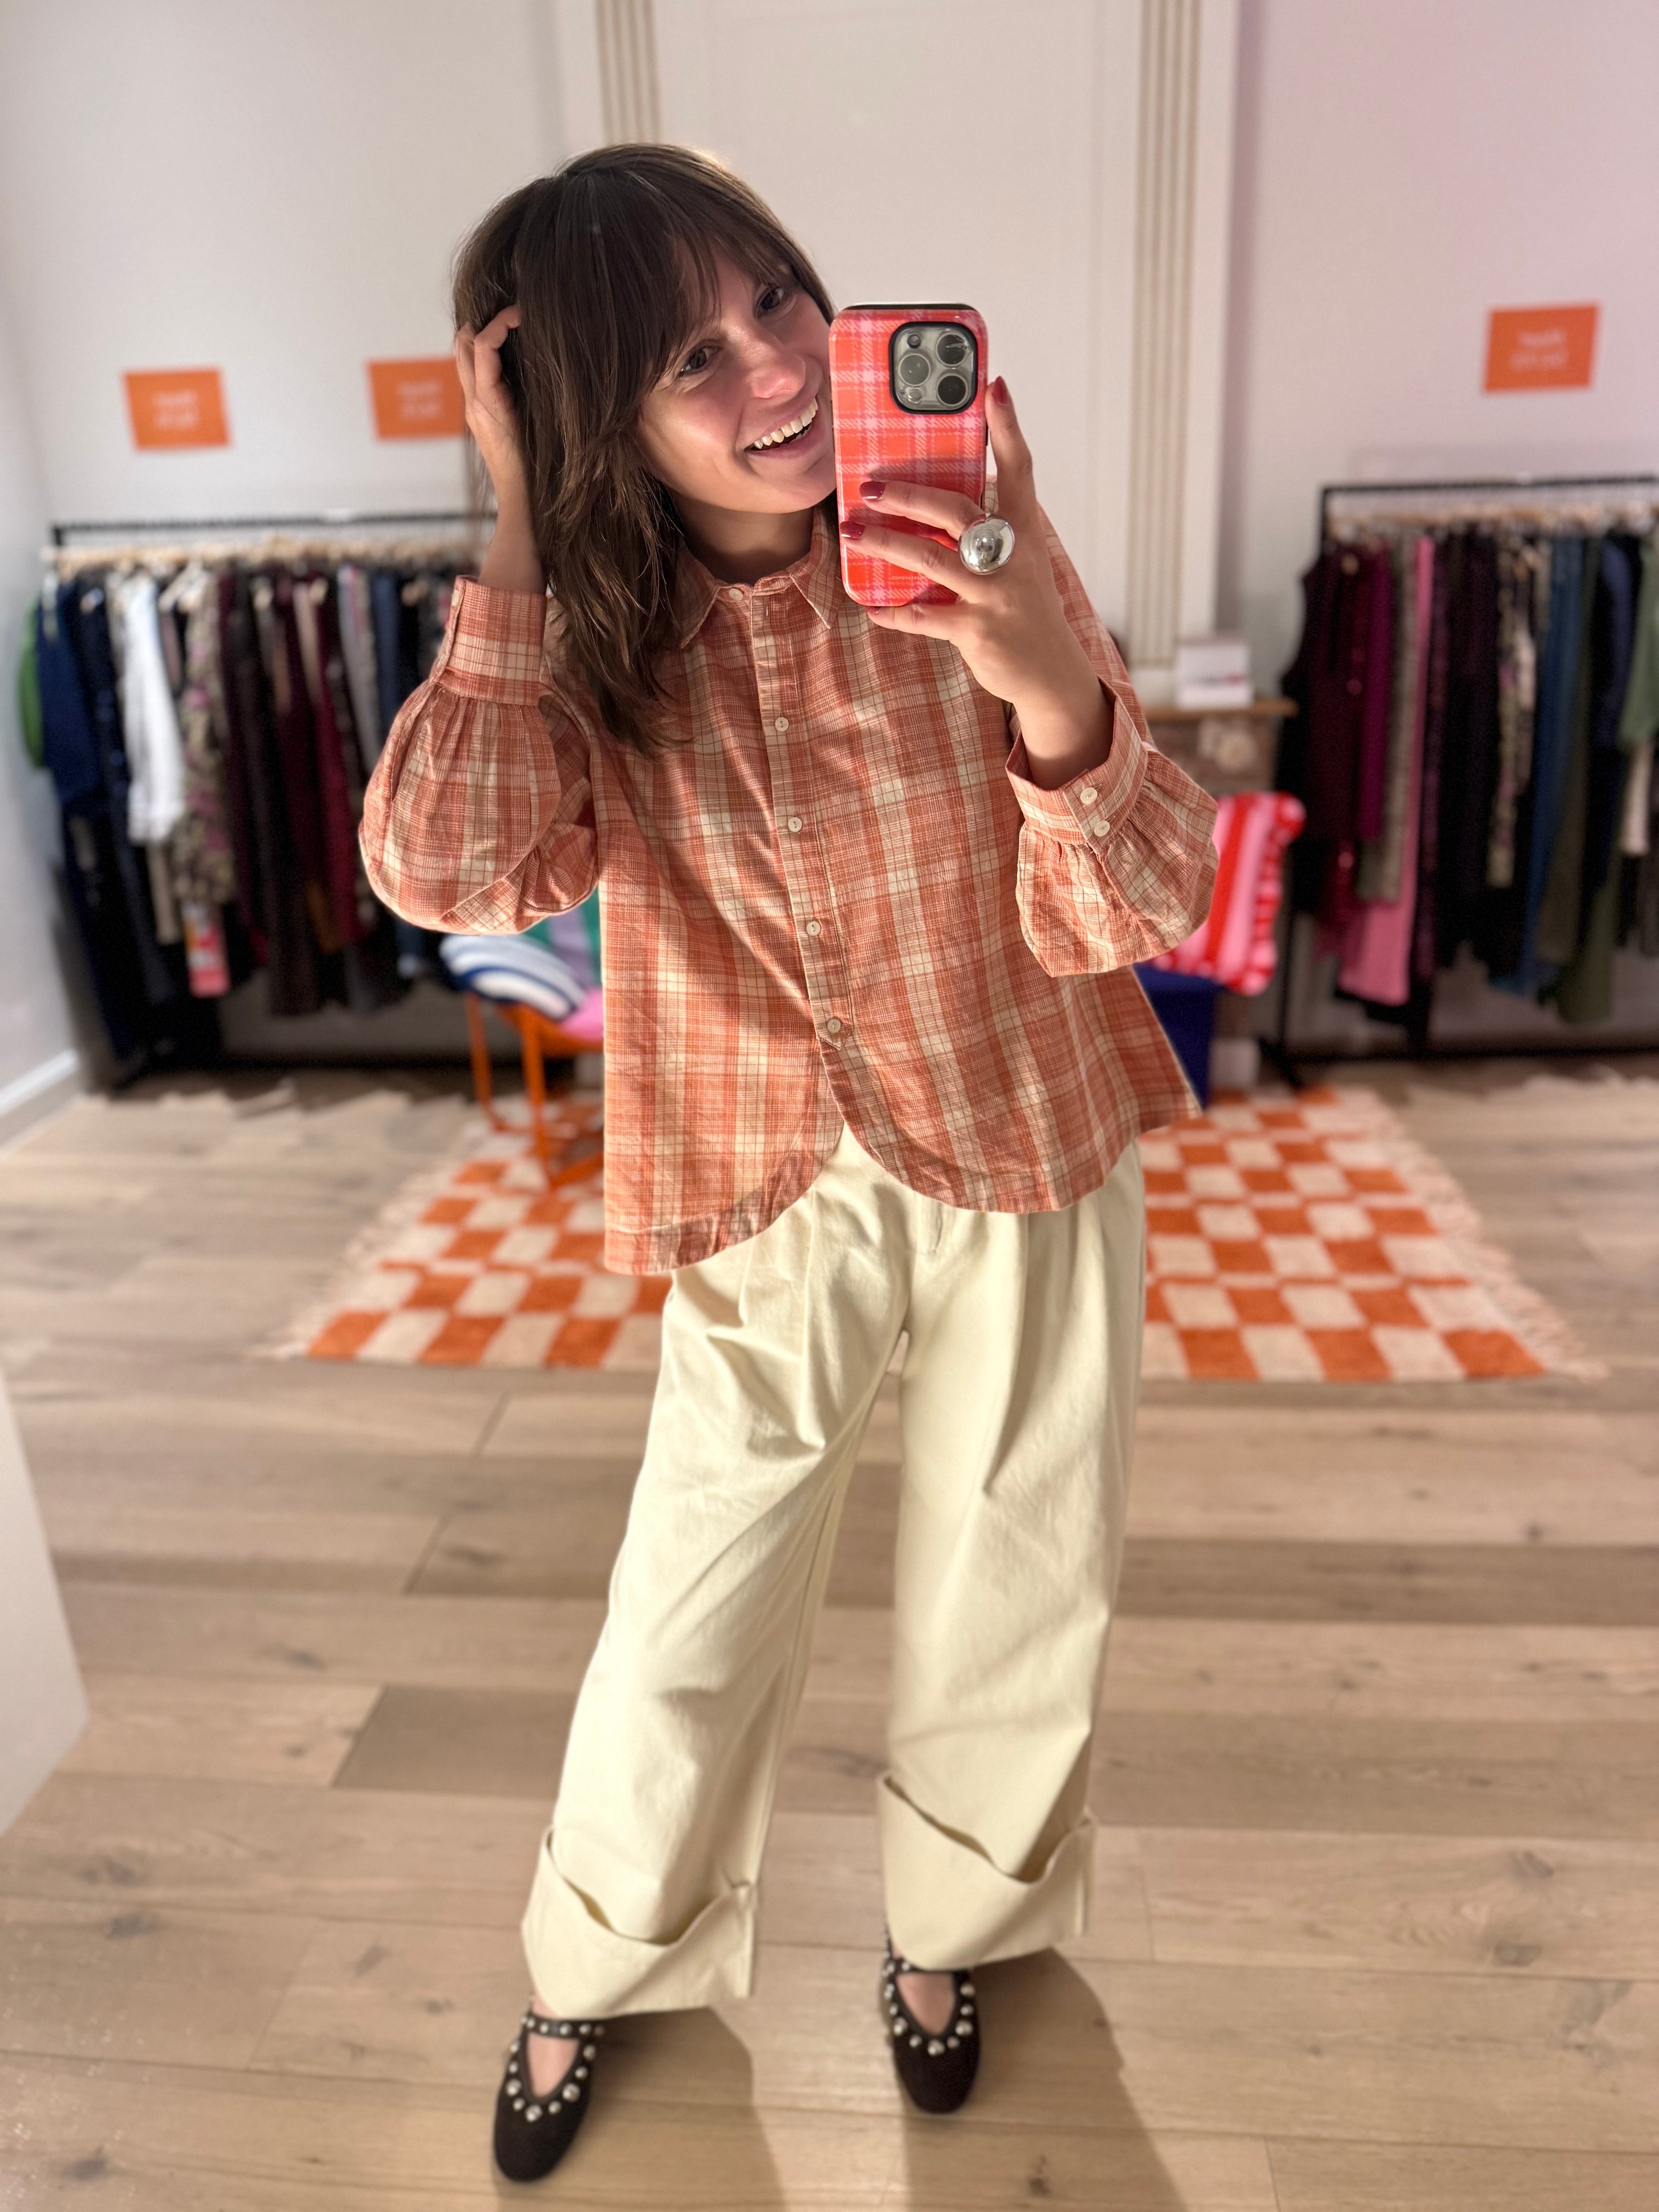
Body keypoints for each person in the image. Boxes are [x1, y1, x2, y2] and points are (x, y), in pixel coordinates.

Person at [361, 143, 1216, 2186]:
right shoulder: (588, 632)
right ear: (591, 415)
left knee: (1023, 1568)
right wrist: (514, 517)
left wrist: (1039, 667)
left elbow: (1150, 904)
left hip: (1025, 1119)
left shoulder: (962, 534)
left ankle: (961, 1934)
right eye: (685, 356)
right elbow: (445, 872)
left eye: (779, 304)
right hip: (757, 1173)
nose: (768, 371)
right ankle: (602, 1953)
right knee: (690, 1601)